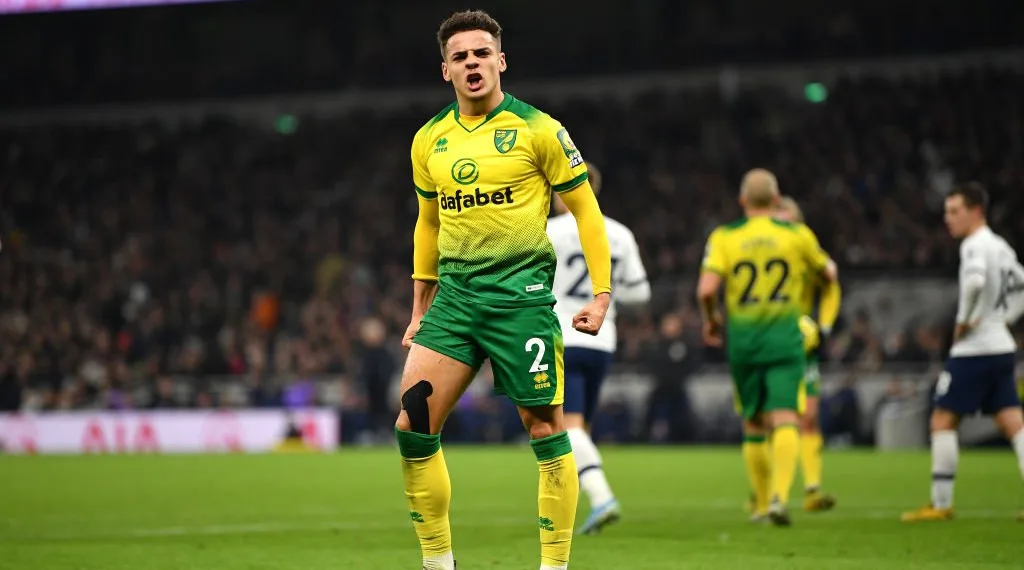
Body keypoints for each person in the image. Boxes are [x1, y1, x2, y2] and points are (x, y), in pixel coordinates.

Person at [396, 10, 613, 570]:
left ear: (500, 61)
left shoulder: (539, 129)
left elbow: (587, 211)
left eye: (481, 53)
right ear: (446, 70)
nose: (472, 63)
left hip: (520, 301)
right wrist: (419, 308)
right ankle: (437, 563)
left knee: (545, 428)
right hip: (456, 302)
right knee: (413, 424)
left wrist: (602, 293)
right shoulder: (429, 140)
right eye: (460, 56)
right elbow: (427, 225)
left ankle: (554, 565)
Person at [697, 169, 837, 526]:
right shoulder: (797, 235)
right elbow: (829, 275)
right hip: (785, 339)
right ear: (777, 201)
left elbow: (707, 290)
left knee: (754, 424)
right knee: (787, 417)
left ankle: (760, 505)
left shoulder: (726, 237)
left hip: (744, 343)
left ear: (743, 201)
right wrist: (821, 321)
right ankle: (779, 497)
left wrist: (712, 320)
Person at [902, 183, 1024, 523]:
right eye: (946, 212)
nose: (948, 218)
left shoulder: (974, 246)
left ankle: (941, 504)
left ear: (976, 212)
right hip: (1000, 346)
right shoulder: (1000, 246)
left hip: (975, 350)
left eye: (955, 211)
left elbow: (974, 284)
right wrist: (1006, 318)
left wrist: (963, 321)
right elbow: (1023, 284)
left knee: (942, 419)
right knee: (1013, 422)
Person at [547, 161, 651, 535]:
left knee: (565, 427)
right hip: (602, 340)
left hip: (560, 335)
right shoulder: (620, 234)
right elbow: (641, 292)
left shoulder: (549, 230)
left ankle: (602, 497)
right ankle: (576, 506)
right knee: (580, 430)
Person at [775, 196, 842, 511]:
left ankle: (812, 488)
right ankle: (767, 494)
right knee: (769, 419)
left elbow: (831, 280)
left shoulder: (806, 248)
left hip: (802, 341)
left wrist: (824, 325)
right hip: (769, 338)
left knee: (809, 417)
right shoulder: (766, 249)